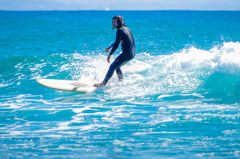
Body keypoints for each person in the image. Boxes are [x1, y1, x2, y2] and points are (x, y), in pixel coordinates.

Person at [94, 15, 136, 87]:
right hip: (132, 54)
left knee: (112, 66)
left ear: (119, 22)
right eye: (112, 22)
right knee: (117, 66)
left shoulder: (120, 31)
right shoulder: (125, 28)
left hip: (126, 54)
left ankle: (103, 83)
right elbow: (119, 41)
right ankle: (121, 82)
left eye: (115, 22)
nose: (113, 24)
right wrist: (110, 47)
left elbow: (117, 44)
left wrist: (110, 55)